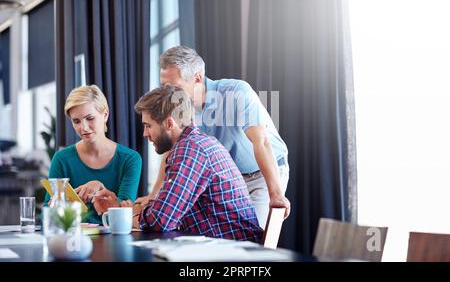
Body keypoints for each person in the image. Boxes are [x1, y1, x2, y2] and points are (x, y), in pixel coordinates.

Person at [140, 46, 290, 227]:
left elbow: (262, 141)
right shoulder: (177, 108)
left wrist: (275, 194)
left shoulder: (235, 92)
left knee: (253, 238)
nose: (168, 94)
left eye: (174, 87)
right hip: (229, 180)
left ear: (197, 79)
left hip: (262, 173)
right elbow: (172, 148)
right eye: (164, 87)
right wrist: (154, 195)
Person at [94, 85, 263, 242]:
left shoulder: (191, 151)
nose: (145, 134)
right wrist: (129, 210)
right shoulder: (195, 144)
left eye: (148, 126)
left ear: (169, 124)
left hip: (232, 254)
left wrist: (128, 213)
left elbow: (160, 220)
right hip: (222, 246)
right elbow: (163, 209)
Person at [44, 85, 142, 223]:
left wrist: (99, 188)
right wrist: (59, 205)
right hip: (74, 239)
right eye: (76, 121)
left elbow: (123, 214)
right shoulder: (62, 159)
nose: (83, 127)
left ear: (105, 115)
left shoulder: (130, 159)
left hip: (113, 240)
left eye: (90, 118)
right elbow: (46, 215)